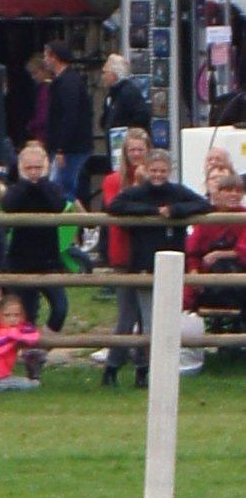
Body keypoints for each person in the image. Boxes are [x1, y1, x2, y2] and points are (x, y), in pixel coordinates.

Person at [107, 149, 211, 386]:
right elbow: (116, 205)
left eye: (162, 171)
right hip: (143, 263)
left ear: (169, 171)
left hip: (172, 262)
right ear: (147, 169)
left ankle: (147, 371)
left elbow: (202, 204)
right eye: (154, 170)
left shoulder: (176, 192)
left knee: (161, 319)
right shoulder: (137, 192)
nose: (158, 175)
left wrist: (175, 211)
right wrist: (153, 213)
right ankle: (135, 368)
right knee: (145, 319)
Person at [0, 143, 69, 380]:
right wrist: (25, 185)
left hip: (48, 260)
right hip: (21, 261)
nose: (33, 172)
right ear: (20, 168)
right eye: (29, 168)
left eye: (38, 167)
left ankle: (39, 351)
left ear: (46, 167)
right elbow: (8, 205)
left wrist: (39, 186)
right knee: (27, 316)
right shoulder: (16, 189)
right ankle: (30, 362)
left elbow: (58, 205)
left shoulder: (51, 188)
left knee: (60, 308)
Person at [99, 128, 151, 382]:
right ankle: (112, 365)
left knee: (146, 317)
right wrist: (139, 188)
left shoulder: (156, 179)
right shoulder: (112, 181)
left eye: (141, 149)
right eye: (132, 150)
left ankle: (143, 368)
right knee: (126, 316)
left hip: (147, 253)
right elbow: (117, 210)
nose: (137, 154)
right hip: (123, 252)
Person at [184, 173, 246, 312]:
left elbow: (243, 250)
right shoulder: (207, 217)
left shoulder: (244, 216)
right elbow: (193, 250)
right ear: (218, 193)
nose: (234, 195)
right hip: (207, 276)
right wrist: (194, 272)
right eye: (228, 190)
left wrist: (218, 255)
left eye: (238, 191)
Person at [43, 40, 93, 201]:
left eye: (46, 56)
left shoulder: (68, 83)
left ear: (54, 57)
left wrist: (61, 148)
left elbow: (69, 115)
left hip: (70, 149)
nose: (44, 60)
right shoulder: (64, 81)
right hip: (67, 148)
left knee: (61, 189)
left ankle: (68, 225)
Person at [100, 54, 150, 163]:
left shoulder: (128, 92)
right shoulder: (112, 95)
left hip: (126, 150)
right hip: (115, 149)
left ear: (114, 74)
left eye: (104, 72)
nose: (102, 76)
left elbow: (142, 115)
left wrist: (127, 133)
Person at [25, 54, 51, 145]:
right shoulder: (45, 88)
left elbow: (44, 116)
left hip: (44, 137)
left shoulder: (46, 89)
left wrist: (30, 125)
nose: (33, 77)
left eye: (35, 73)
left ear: (45, 70)